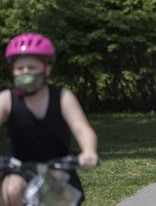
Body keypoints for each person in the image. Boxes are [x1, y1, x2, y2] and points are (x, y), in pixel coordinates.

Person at [0, 33, 100, 206]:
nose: (25, 72)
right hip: (19, 168)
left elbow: (82, 129)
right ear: (12, 70)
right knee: (11, 189)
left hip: (58, 168)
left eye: (31, 67)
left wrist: (89, 151)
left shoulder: (62, 97)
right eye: (20, 68)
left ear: (46, 69)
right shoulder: (7, 99)